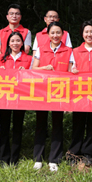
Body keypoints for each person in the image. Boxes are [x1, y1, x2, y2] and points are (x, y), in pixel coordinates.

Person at [31, 21, 74, 171]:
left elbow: (70, 71)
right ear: (48, 34)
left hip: (60, 92)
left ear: (63, 34)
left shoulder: (69, 51)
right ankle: (38, 158)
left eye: (58, 32)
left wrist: (74, 71)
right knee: (40, 124)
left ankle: (54, 159)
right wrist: (44, 68)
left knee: (57, 124)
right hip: (42, 92)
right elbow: (34, 68)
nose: (55, 35)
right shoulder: (41, 49)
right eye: (52, 33)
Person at [68, 21, 92, 167]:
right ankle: (73, 153)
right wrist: (73, 71)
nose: (89, 34)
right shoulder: (75, 51)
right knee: (78, 123)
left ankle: (88, 153)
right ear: (82, 34)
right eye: (86, 32)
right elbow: (70, 69)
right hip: (80, 93)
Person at [0, 31, 33, 166]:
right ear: (8, 43)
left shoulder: (29, 59)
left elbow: (33, 77)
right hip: (4, 97)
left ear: (22, 43)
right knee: (4, 128)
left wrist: (26, 73)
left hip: (20, 98)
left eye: (18, 41)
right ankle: (3, 158)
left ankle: (14, 158)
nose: (15, 43)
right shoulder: (2, 58)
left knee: (17, 128)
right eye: (12, 41)